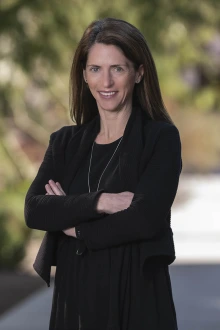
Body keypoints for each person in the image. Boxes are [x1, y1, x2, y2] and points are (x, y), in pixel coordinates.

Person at [24, 17, 182, 330]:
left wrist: (73, 226)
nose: (106, 82)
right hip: (75, 296)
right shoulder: (66, 142)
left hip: (136, 295)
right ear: (84, 75)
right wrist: (102, 203)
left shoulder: (160, 139)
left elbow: (145, 219)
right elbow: (35, 209)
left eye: (117, 69)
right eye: (96, 69)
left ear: (138, 73)